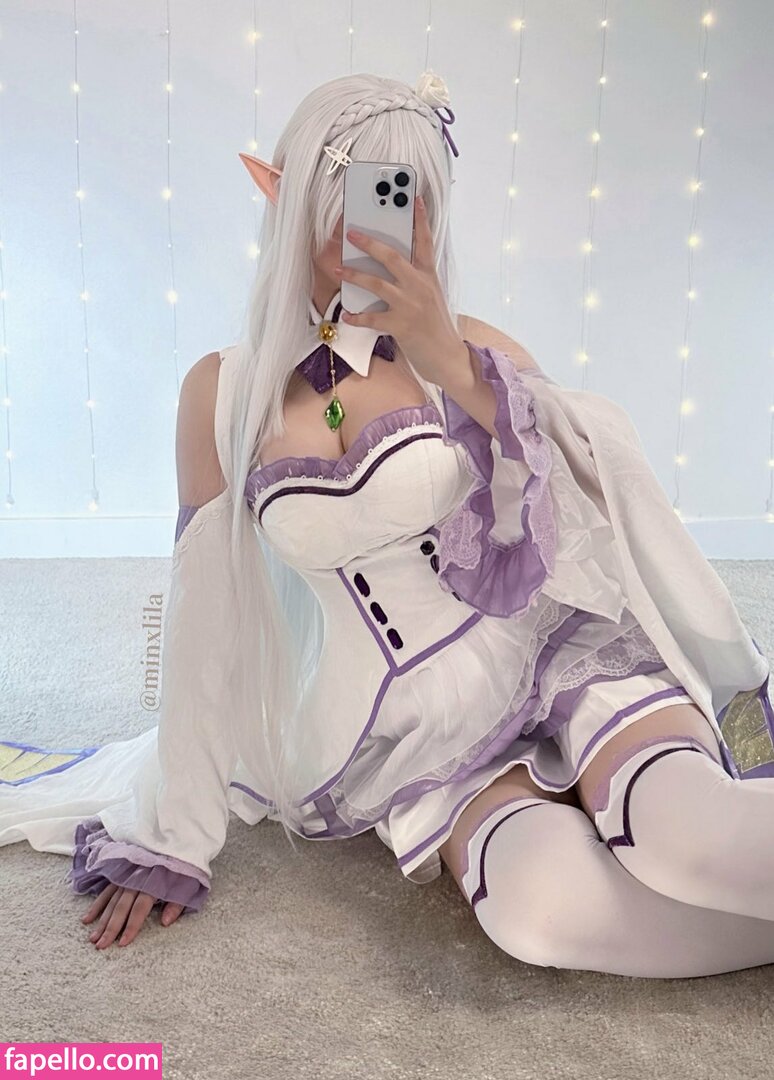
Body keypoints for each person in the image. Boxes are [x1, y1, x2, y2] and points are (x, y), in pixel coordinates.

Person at [2, 71, 774, 978]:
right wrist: (175, 835)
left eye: (400, 197)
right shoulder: (224, 396)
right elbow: (205, 617)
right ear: (278, 191)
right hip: (416, 745)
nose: (370, 232)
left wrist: (459, 369)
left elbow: (589, 512)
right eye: (351, 198)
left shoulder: (468, 348)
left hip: (555, 655)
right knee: (542, 914)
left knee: (685, 840)